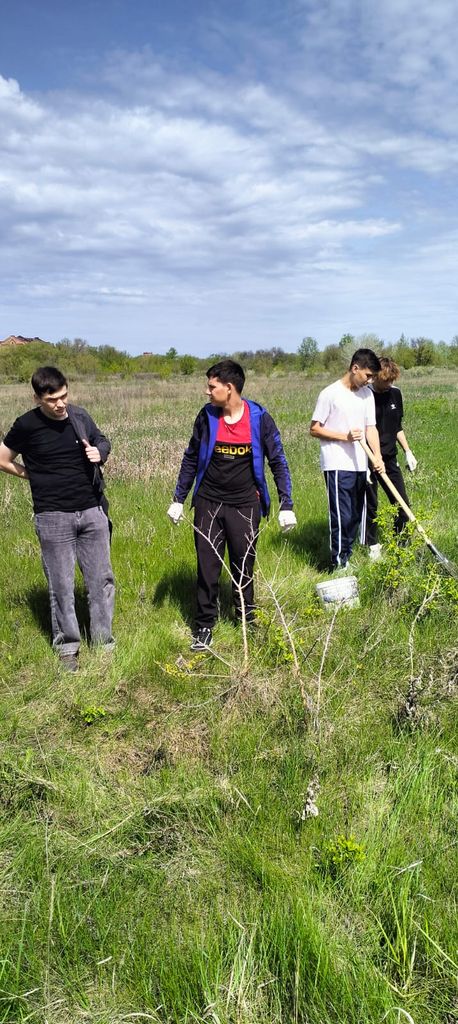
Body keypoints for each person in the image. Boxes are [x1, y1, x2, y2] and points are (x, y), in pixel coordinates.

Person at [167, 359, 296, 650]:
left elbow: (277, 460)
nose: (207, 391)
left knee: (244, 566)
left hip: (245, 504)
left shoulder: (259, 417)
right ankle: (204, 626)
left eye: (212, 386)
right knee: (207, 567)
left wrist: (286, 503)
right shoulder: (207, 416)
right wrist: (179, 498)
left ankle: (246, 617)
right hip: (208, 503)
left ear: (229, 387)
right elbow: (190, 457)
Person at [0, 366, 115, 672]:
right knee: (61, 585)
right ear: (38, 398)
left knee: (101, 580)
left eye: (64, 395)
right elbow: (2, 459)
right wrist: (31, 476)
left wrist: (99, 453)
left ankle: (104, 643)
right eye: (52, 399)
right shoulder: (26, 425)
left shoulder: (79, 416)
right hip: (52, 516)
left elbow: (103, 440)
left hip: (92, 510)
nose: (60, 404)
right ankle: (68, 648)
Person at [310, 348, 385, 571]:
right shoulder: (330, 394)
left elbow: (371, 428)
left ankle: (348, 555)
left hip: (360, 464)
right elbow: (314, 429)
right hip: (336, 464)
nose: (370, 380)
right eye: (368, 375)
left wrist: (377, 457)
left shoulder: (367, 394)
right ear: (355, 368)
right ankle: (339, 563)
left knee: (354, 515)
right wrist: (345, 437)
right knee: (341, 515)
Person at [362, 357, 417, 559]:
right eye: (385, 381)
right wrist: (368, 464)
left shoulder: (395, 394)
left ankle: (400, 545)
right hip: (368, 460)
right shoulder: (364, 397)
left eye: (392, 381)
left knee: (402, 504)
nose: (389, 385)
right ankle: (373, 546)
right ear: (375, 377)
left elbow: (397, 427)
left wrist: (408, 451)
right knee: (371, 505)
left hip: (390, 459)